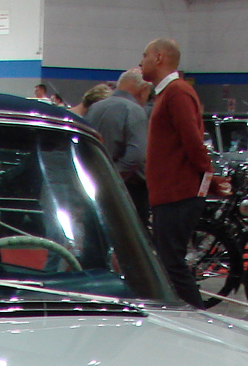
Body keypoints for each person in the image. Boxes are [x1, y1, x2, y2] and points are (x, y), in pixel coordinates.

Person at [139, 36, 221, 306]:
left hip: (177, 195)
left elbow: (192, 141)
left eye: (145, 55)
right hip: (168, 194)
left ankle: (197, 318)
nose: (141, 62)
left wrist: (208, 178)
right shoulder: (169, 93)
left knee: (172, 264)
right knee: (168, 262)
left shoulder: (177, 92)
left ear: (159, 57)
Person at [85, 69, 149, 219]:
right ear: (143, 89)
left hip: (94, 182)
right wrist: (114, 177)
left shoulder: (95, 108)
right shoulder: (135, 111)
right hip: (128, 189)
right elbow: (136, 156)